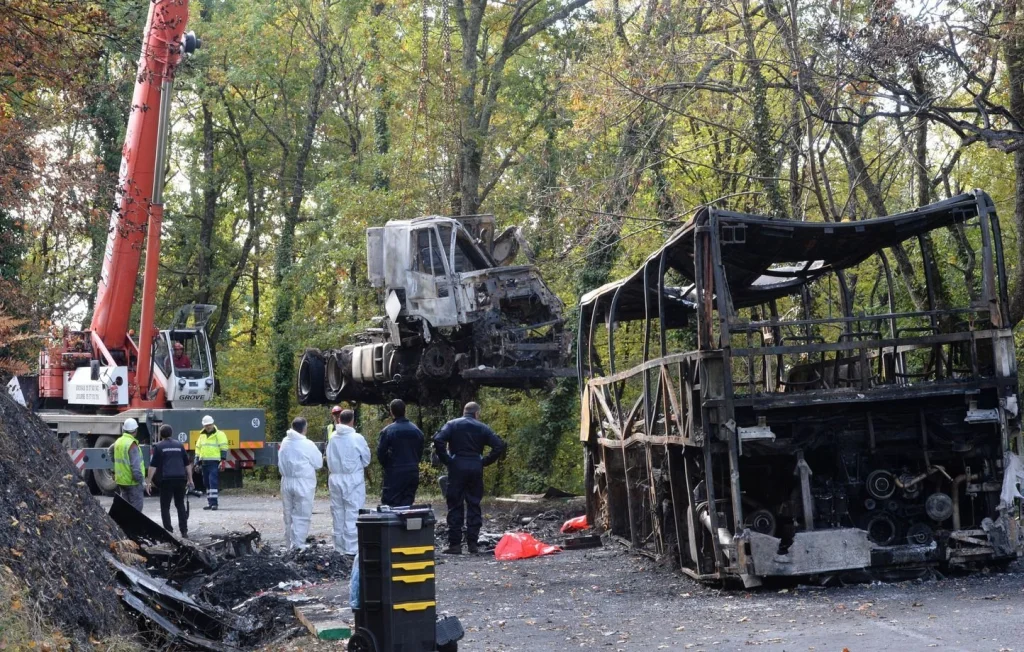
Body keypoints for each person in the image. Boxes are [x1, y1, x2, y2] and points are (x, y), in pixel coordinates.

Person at [433, 401, 507, 554]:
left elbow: (438, 439)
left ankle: (455, 545)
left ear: (464, 411)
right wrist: (485, 461)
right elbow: (499, 445)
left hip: (456, 466)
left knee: (455, 504)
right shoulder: (483, 427)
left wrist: (447, 459)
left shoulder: (452, 424)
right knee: (474, 504)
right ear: (477, 413)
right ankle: (472, 544)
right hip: (475, 467)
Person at [327, 409, 371, 555]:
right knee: (353, 512)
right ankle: (351, 549)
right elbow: (366, 459)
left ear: (339, 420)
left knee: (338, 512)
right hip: (352, 479)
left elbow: (328, 457)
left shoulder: (333, 437)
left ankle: (339, 547)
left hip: (335, 478)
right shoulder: (357, 438)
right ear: (352, 420)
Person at [278, 417, 324, 549]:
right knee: (302, 515)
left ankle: (289, 545)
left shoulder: (285, 442)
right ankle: (297, 545)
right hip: (303, 482)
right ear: (304, 428)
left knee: (288, 515)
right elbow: (318, 463)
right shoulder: (307, 444)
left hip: (286, 481)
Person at [145, 424, 194, 538]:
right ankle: (184, 531)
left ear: (160, 434)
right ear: (171, 433)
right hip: (180, 478)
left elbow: (153, 466)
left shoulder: (159, 447)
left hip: (166, 480)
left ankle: (169, 532)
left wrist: (148, 482)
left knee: (165, 506)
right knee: (180, 504)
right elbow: (187, 464)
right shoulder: (179, 445)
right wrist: (190, 479)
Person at [376, 399, 424, 507]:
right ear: (405, 410)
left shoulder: (388, 431)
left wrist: (388, 465)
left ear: (391, 412)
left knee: (391, 505)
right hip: (412, 471)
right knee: (407, 503)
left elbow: (381, 453)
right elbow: (420, 450)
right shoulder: (417, 431)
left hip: (395, 471)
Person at [195, 415, 229, 510]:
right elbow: (198, 449)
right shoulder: (202, 435)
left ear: (213, 424)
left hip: (214, 462)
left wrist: (222, 460)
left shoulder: (219, 434)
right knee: (206, 483)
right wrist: (196, 462)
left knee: (212, 482)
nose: (208, 427)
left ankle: (214, 503)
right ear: (204, 426)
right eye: (206, 425)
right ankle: (210, 503)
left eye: (209, 425)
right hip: (204, 462)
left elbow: (224, 447)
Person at [113, 417, 146, 511]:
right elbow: (135, 468)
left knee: (125, 509)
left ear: (124, 429)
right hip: (133, 482)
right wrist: (141, 482)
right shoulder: (132, 444)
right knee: (136, 510)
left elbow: (110, 452)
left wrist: (116, 464)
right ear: (135, 430)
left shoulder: (118, 441)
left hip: (121, 481)